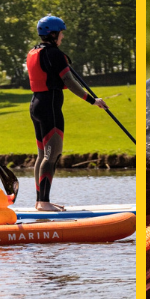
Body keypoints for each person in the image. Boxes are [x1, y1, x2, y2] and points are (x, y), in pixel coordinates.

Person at [26, 15, 109, 211]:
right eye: (61, 33)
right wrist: (92, 100)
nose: (62, 37)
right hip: (50, 107)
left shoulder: (34, 52)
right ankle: (44, 203)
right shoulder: (55, 54)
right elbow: (69, 82)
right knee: (52, 153)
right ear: (53, 34)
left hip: (35, 105)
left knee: (42, 154)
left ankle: (40, 201)